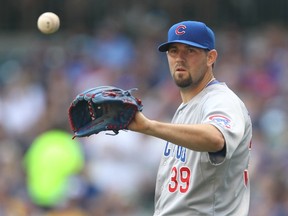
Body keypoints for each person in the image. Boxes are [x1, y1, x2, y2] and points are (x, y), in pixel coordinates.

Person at [128, 20, 252, 216]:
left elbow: (216, 138)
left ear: (211, 57)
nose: (180, 58)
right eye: (173, 51)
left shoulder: (221, 99)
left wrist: (149, 127)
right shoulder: (186, 107)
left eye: (190, 51)